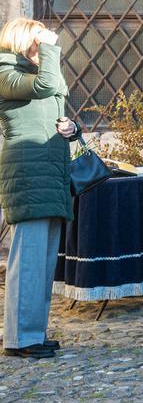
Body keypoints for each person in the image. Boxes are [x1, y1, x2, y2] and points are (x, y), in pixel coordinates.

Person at [0, 19, 80, 359]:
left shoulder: (38, 71)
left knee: (44, 261)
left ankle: (34, 331)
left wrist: (71, 127)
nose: (45, 42)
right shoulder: (5, 71)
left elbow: (55, 97)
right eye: (38, 37)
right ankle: (19, 339)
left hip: (50, 172)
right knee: (28, 260)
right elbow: (47, 86)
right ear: (23, 39)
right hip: (29, 174)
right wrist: (50, 47)